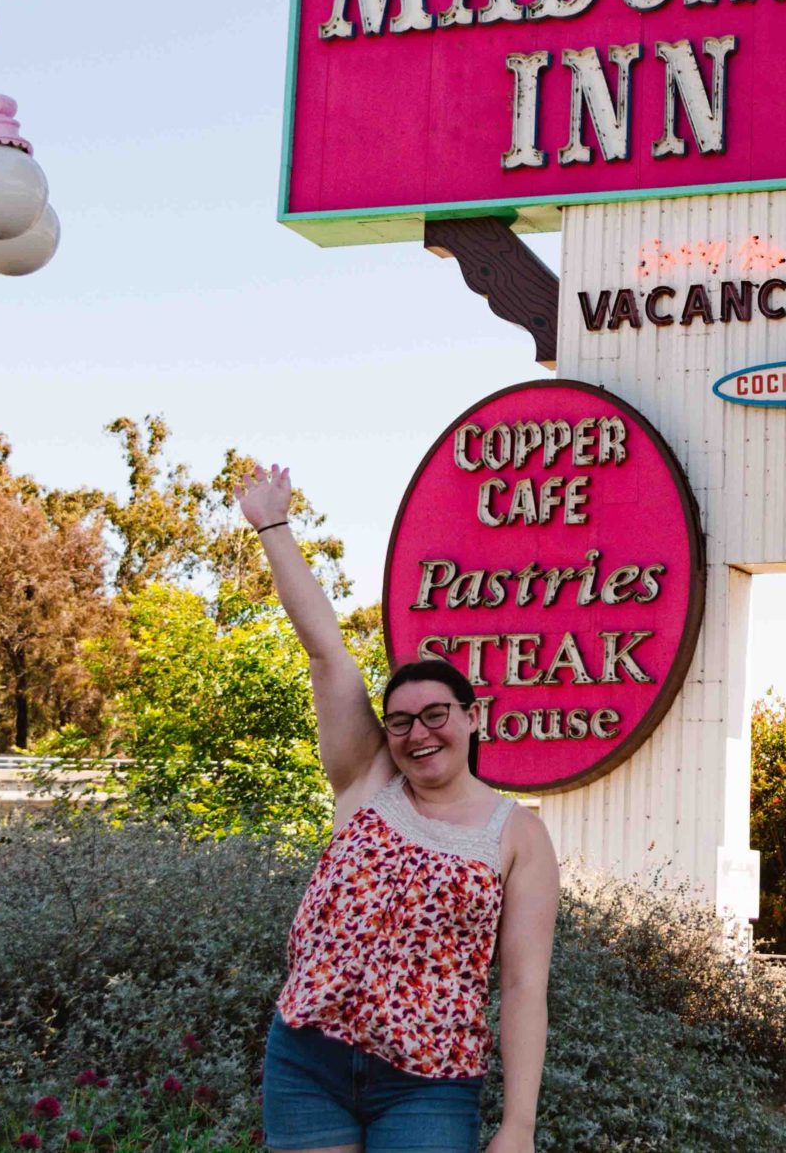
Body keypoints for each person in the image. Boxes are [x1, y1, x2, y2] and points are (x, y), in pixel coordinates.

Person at [237, 461, 558, 1153]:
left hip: (428, 1083)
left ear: (473, 717)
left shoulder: (518, 835)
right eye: (401, 720)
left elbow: (524, 983)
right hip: (306, 1059)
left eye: (435, 713)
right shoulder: (367, 785)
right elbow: (326, 650)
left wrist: (519, 1123)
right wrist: (273, 526)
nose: (418, 732)